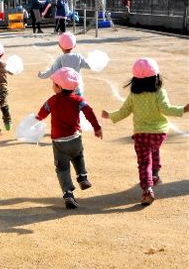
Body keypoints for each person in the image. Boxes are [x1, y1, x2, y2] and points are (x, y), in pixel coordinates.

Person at [102, 58, 188, 206]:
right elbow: (166, 109)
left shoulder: (134, 95)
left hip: (141, 134)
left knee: (144, 162)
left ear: (135, 79)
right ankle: (154, 175)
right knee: (154, 150)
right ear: (156, 77)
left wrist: (109, 115)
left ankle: (147, 189)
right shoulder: (159, 93)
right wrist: (184, 109)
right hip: (159, 134)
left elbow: (124, 112)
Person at [35, 67, 102, 209]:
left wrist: (35, 121)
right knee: (78, 156)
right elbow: (89, 112)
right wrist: (96, 127)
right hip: (75, 138)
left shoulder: (52, 101)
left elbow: (41, 114)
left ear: (58, 87)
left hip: (59, 143)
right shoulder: (78, 100)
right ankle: (82, 177)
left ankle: (68, 194)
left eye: (53, 84)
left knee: (62, 168)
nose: (52, 86)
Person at [38, 32, 91, 96]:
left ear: (60, 46)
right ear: (74, 45)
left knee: (66, 105)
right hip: (78, 89)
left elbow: (52, 71)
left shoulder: (60, 59)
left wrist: (42, 75)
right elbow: (89, 65)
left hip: (65, 91)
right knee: (78, 105)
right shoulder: (78, 57)